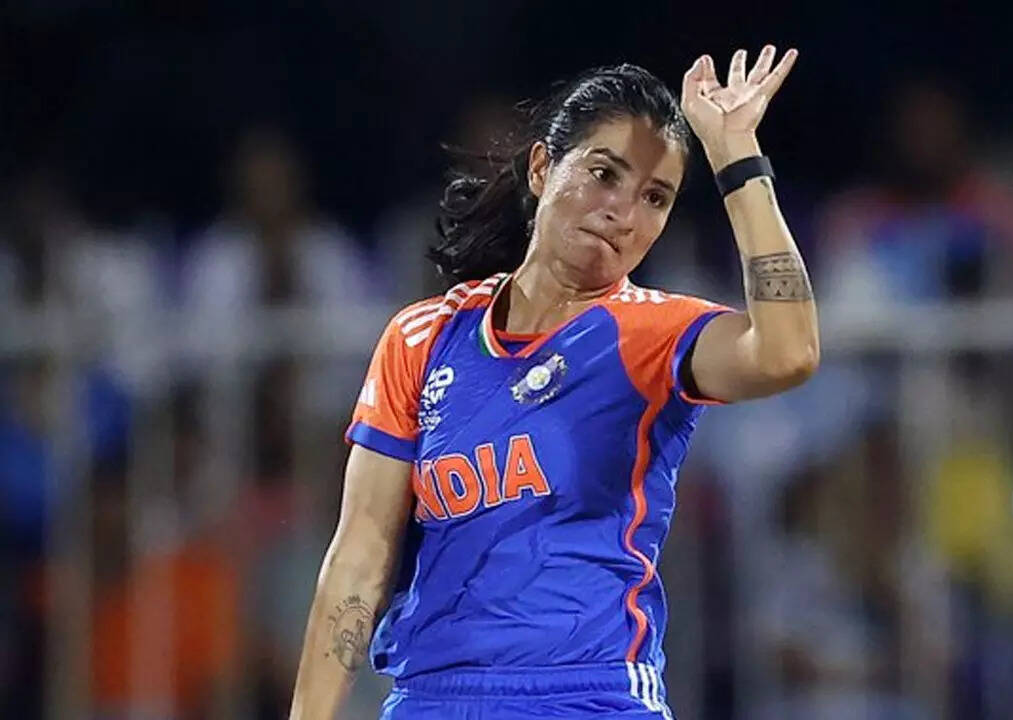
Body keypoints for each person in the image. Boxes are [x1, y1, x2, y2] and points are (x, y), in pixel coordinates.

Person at [289, 47, 819, 719]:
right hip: (434, 699)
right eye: (604, 174)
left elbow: (788, 352)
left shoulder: (650, 334)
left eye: (654, 197)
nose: (623, 212)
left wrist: (737, 156)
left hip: (592, 696)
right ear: (542, 168)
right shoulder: (423, 338)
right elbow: (359, 559)